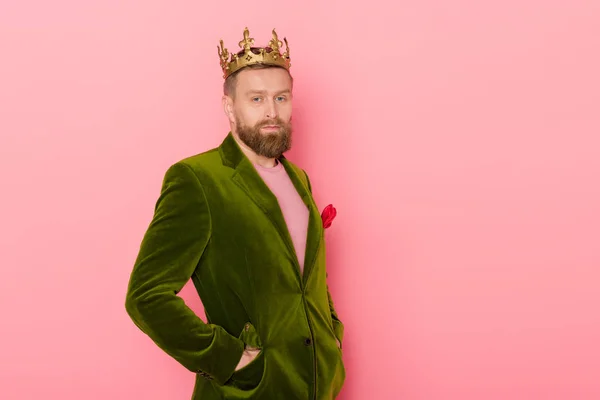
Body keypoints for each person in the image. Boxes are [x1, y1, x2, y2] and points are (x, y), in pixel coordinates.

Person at [125, 27, 345, 400]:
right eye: (256, 99)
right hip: (250, 390)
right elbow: (146, 296)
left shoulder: (299, 178)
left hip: (318, 384)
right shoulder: (197, 179)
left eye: (281, 97)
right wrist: (227, 357)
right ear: (230, 106)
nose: (272, 111)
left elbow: (307, 273)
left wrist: (331, 333)